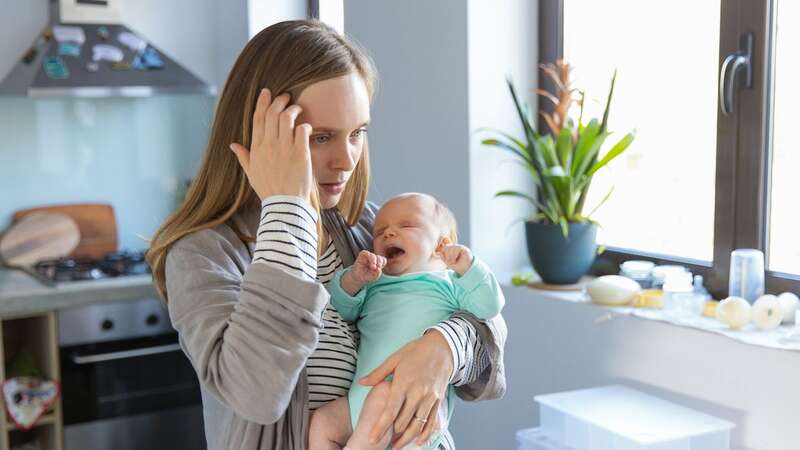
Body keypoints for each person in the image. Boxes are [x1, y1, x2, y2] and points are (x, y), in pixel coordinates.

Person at [145, 19, 507, 450]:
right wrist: (287, 209)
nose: (346, 160)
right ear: (258, 137)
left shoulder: (365, 232)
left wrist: (443, 349)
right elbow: (256, 394)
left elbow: (487, 350)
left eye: (358, 133)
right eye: (320, 138)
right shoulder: (204, 254)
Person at [309, 193, 505, 450]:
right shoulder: (375, 283)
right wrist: (355, 279)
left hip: (410, 406)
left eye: (406, 225)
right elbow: (341, 310)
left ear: (441, 245)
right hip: (357, 402)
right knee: (323, 422)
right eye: (379, 232)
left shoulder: (449, 284)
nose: (388, 233)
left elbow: (489, 308)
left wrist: (470, 267)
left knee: (382, 395)